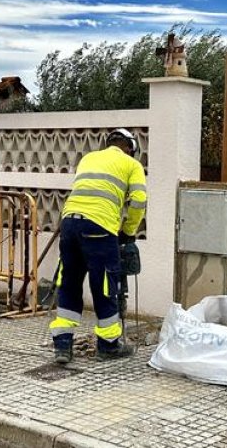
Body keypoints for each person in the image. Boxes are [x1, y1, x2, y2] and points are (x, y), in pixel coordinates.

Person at [48, 128, 147, 364]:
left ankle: (62, 347)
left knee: (69, 283)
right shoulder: (131, 165)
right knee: (104, 285)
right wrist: (128, 231)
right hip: (100, 229)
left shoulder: (89, 158)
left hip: (69, 224)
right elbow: (139, 201)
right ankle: (108, 345)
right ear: (130, 148)